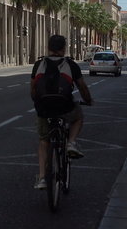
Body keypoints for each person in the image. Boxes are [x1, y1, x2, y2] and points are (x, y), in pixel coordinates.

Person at [31, 35, 93, 190]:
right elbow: (82, 86)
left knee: (44, 141)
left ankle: (42, 178)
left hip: (44, 108)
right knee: (77, 117)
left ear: (48, 48)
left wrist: (38, 102)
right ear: (64, 48)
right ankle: (71, 142)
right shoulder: (70, 64)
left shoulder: (39, 64)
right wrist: (88, 100)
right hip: (65, 106)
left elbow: (33, 89)